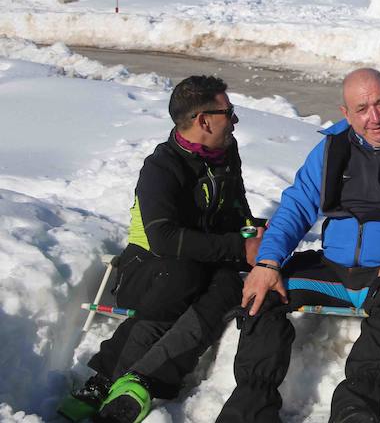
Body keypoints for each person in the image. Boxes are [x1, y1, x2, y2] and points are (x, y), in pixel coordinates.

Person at [217, 68, 380, 423]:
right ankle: (250, 408)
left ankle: (355, 412)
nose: (374, 117)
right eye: (362, 109)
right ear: (345, 113)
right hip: (334, 269)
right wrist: (267, 263)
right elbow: (297, 205)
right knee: (265, 293)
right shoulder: (332, 148)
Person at [59, 75, 263, 423]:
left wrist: (253, 233)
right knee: (186, 272)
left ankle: (139, 381)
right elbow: (164, 239)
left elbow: (237, 214)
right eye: (229, 112)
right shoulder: (161, 167)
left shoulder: (226, 156)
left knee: (229, 283)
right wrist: (237, 246)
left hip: (197, 266)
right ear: (204, 120)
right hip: (148, 269)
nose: (235, 120)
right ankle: (105, 380)